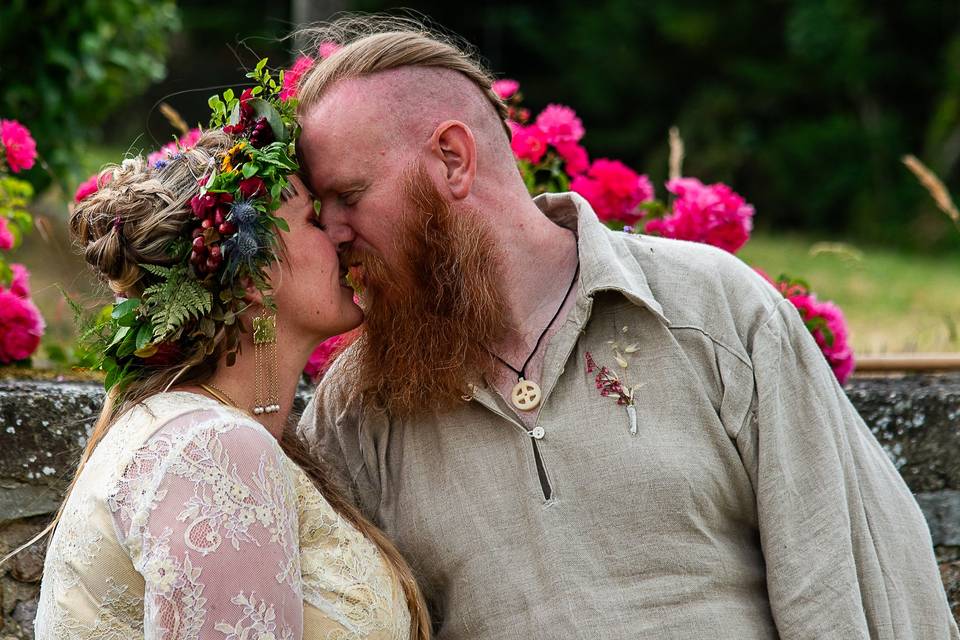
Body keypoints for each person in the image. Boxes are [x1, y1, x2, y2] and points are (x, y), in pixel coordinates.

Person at [294, 18, 960, 639]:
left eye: (349, 196)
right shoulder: (358, 410)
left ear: (452, 159)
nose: (334, 231)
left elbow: (842, 580)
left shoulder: (710, 309)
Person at [26, 69, 428, 639]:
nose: (342, 233)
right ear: (255, 278)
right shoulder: (213, 449)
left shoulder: (206, 434)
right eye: (315, 218)